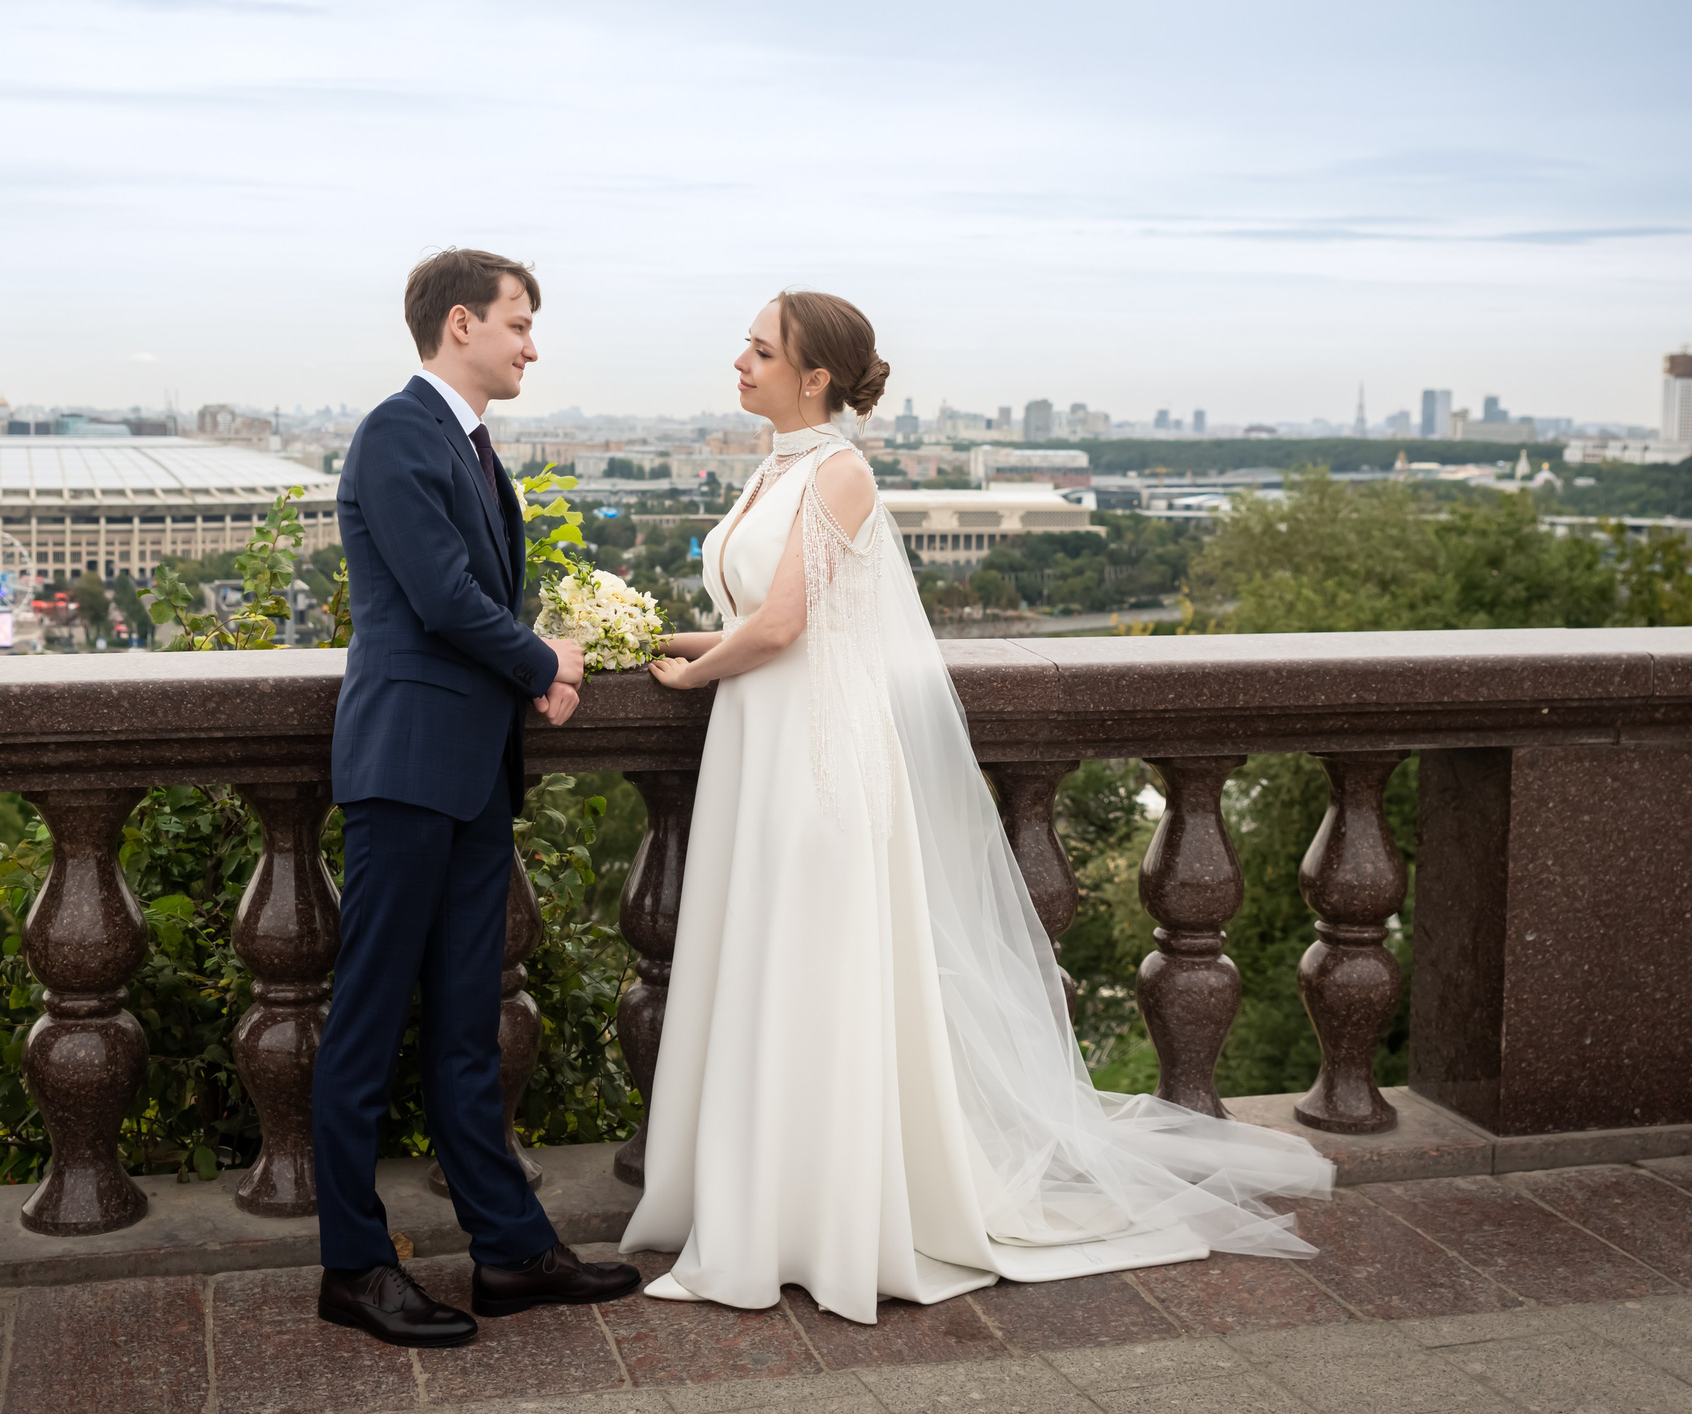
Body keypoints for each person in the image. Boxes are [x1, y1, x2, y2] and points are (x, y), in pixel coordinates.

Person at [620, 290, 1332, 1323]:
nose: (739, 359)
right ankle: (771, 1197)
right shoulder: (774, 468)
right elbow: (763, 620)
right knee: (770, 960)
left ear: (814, 376)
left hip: (813, 760)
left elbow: (778, 630)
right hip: (758, 745)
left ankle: (827, 1212)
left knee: (815, 968)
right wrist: (694, 647)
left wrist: (693, 678)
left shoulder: (840, 471)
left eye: (760, 348)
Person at [314, 248, 642, 1348]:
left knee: (465, 1030)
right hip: (406, 767)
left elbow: (466, 597)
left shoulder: (469, 446)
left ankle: (506, 1253)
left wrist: (531, 665)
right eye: (519, 324)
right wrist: (543, 662)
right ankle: (354, 1267)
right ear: (462, 324)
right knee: (363, 1029)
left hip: (463, 776)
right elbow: (446, 599)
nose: (531, 346)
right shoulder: (400, 431)